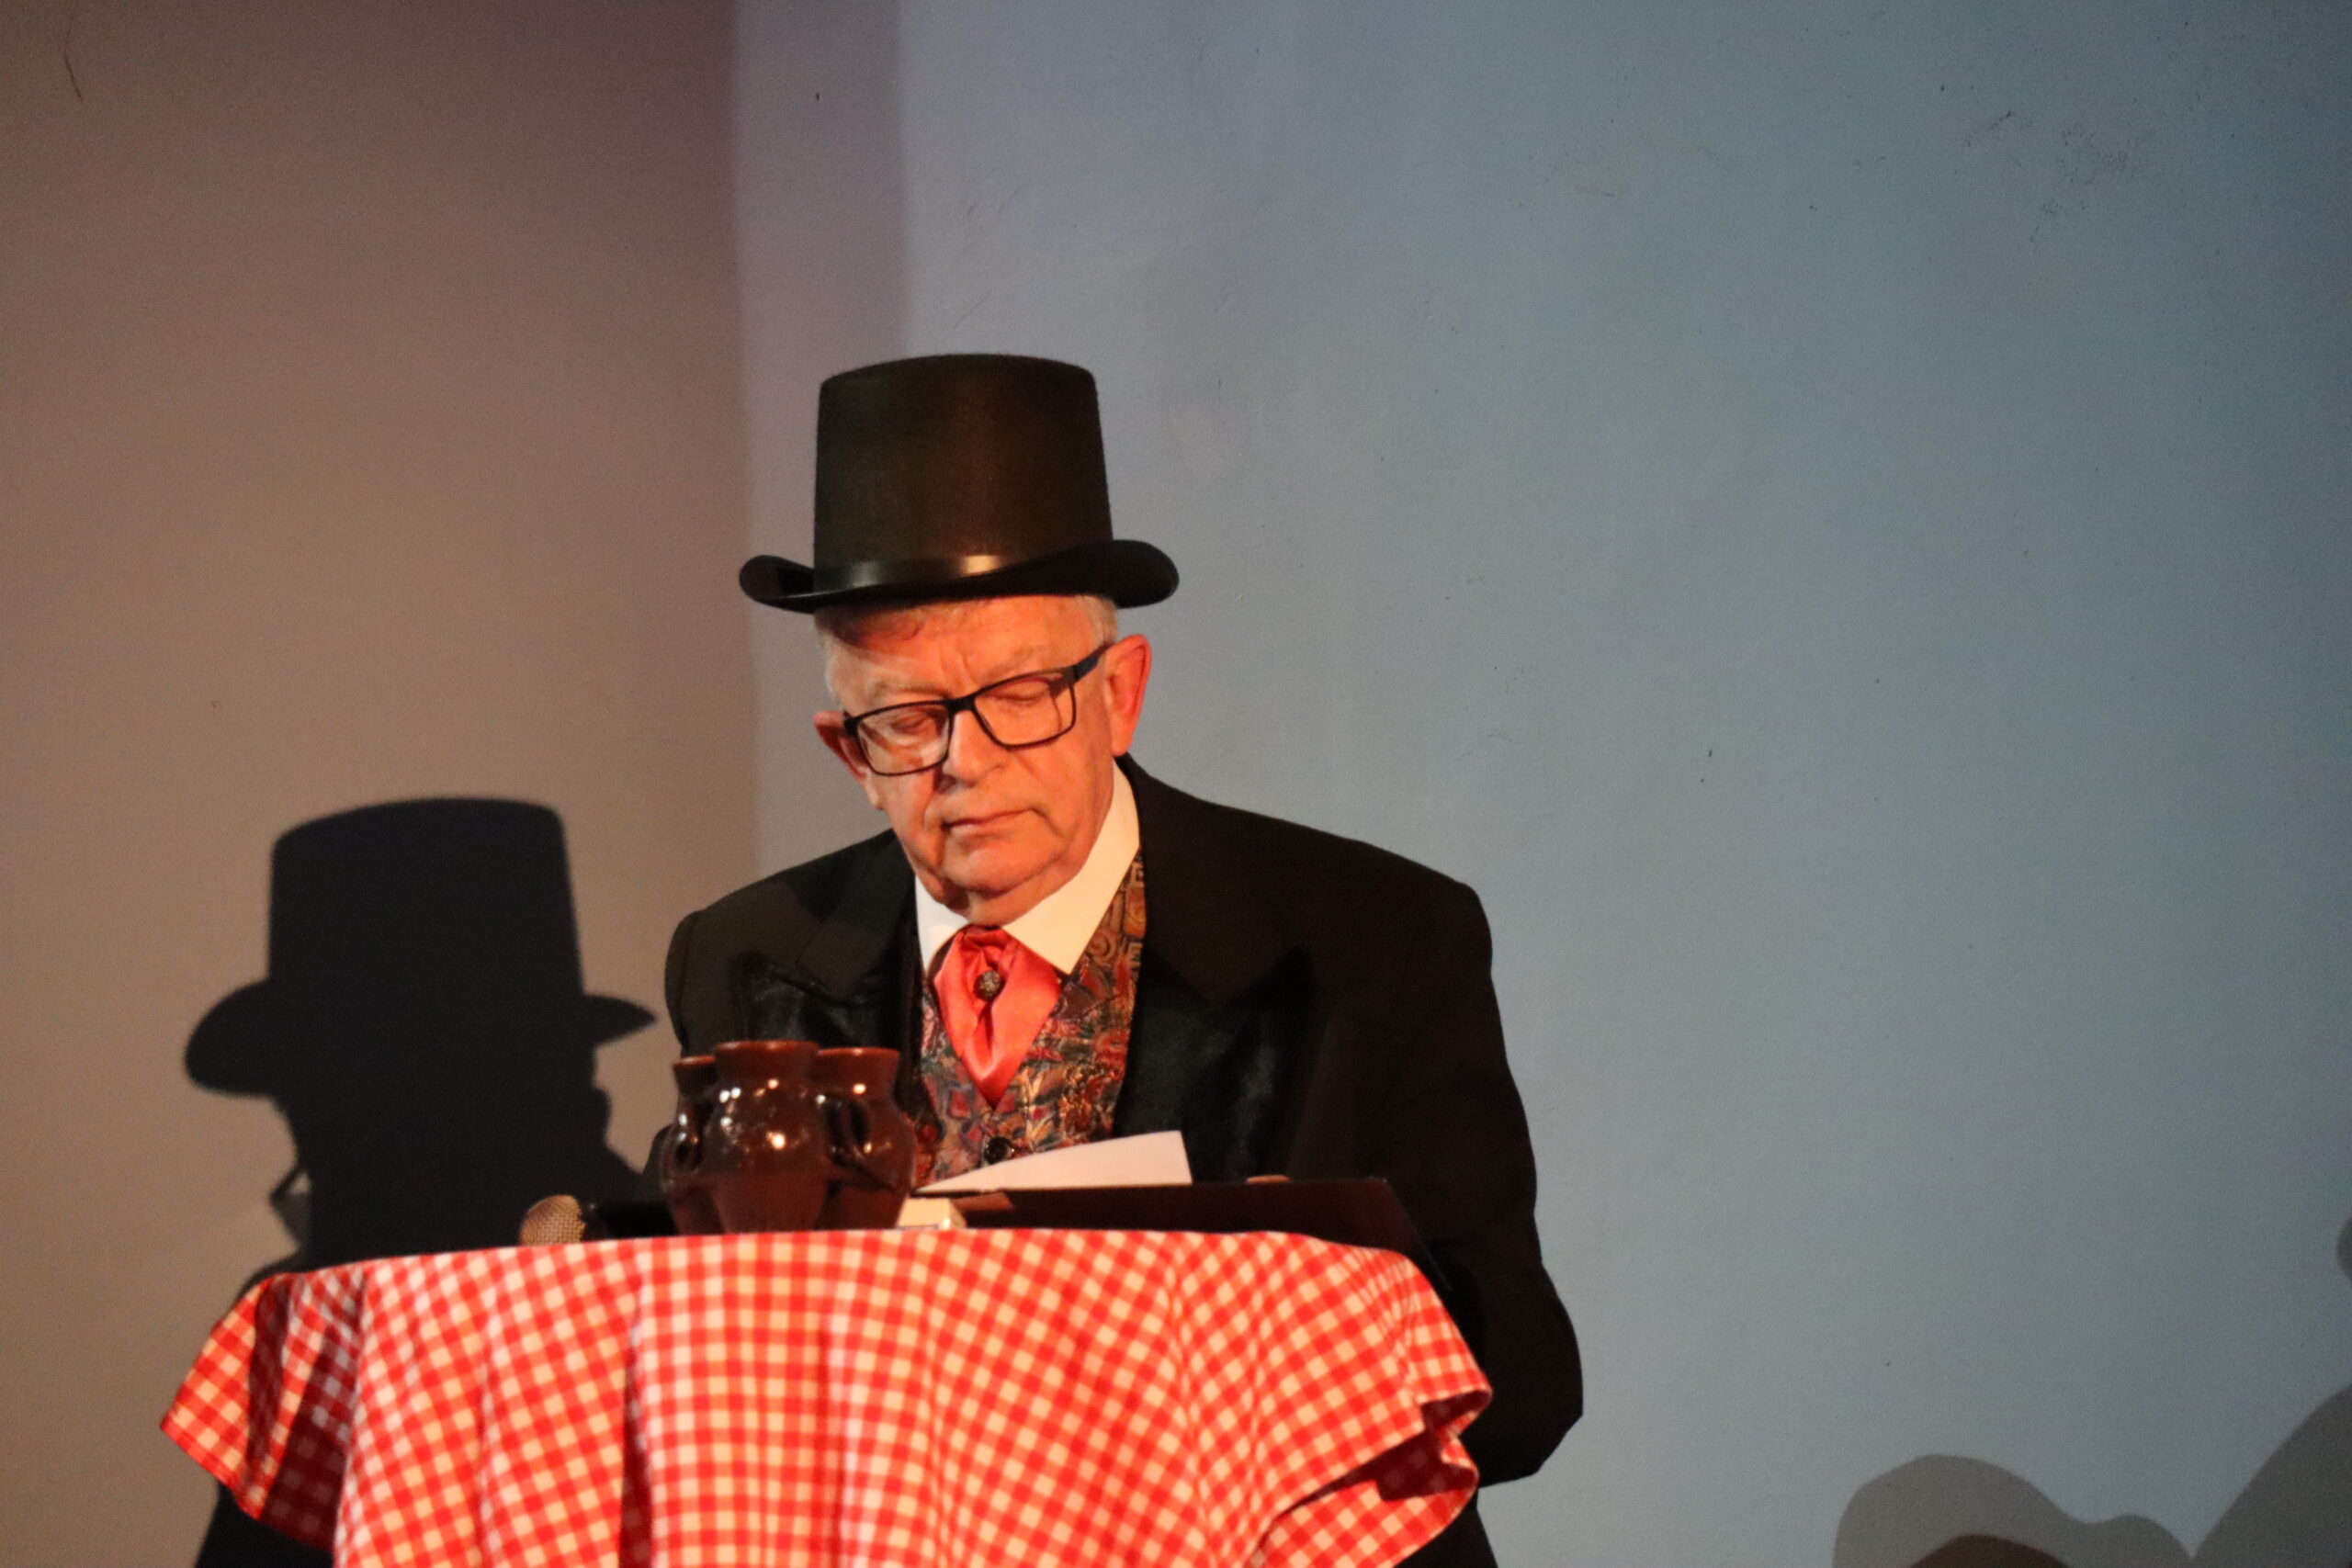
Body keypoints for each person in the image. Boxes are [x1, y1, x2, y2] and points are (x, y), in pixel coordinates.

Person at [664, 353, 1578, 1567]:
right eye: (910, 719)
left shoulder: (1371, 939)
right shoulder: (745, 958)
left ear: (1120, 695)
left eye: (1020, 695)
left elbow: (1519, 1383)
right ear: (851, 751)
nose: (965, 763)